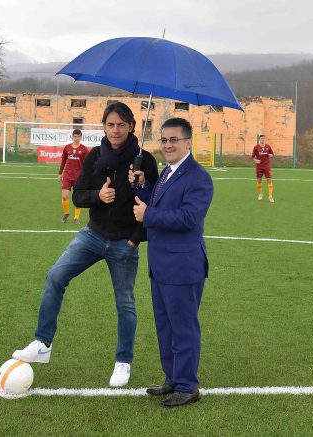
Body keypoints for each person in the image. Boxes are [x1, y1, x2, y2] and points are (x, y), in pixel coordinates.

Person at [12, 102, 158, 387]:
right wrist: (97, 197)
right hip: (93, 235)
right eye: (110, 124)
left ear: (131, 127)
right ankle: (43, 343)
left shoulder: (145, 161)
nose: (115, 130)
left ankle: (123, 361)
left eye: (121, 125)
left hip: (124, 243)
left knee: (125, 303)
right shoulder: (95, 157)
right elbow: (78, 195)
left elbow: (154, 205)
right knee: (55, 276)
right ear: (103, 126)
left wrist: (134, 238)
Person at [130, 117, 213, 407]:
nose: (167, 145)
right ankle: (173, 379)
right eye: (164, 140)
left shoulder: (198, 177)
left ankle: (188, 386)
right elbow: (156, 206)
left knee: (183, 327)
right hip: (161, 264)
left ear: (188, 142)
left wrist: (149, 215)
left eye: (173, 140)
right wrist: (142, 187)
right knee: (165, 326)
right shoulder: (167, 172)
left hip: (183, 266)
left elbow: (189, 218)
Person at [58, 129, 89, 224]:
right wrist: (60, 173)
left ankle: (76, 218)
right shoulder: (67, 147)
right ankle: (66, 213)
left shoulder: (84, 149)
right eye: (75, 136)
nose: (76, 138)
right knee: (64, 196)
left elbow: (87, 164)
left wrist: (86, 175)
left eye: (78, 136)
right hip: (67, 175)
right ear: (72, 137)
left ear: (81, 137)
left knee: (77, 198)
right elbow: (63, 161)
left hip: (79, 176)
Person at [251, 134, 274, 202]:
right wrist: (256, 160)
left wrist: (270, 155)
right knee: (259, 180)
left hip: (267, 166)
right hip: (259, 167)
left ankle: (270, 196)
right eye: (261, 138)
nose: (263, 140)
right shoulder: (256, 147)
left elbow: (272, 154)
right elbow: (252, 156)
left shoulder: (268, 147)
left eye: (264, 138)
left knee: (269, 180)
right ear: (259, 139)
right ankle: (260, 194)